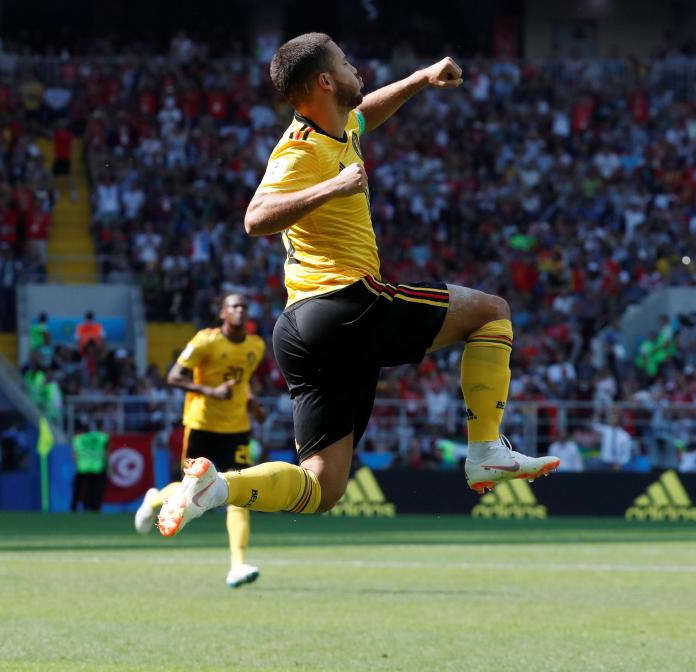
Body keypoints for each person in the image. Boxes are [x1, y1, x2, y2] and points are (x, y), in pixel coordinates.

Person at [156, 33, 559, 538]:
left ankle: (219, 488)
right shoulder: (299, 153)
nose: (356, 69)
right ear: (325, 80)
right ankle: (485, 452)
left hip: (302, 328)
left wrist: (419, 79)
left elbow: (365, 112)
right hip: (346, 304)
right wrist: (334, 186)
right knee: (492, 312)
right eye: (345, 62)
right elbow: (255, 218)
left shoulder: (336, 127)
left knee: (323, 489)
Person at [134, 293, 266, 589]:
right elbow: (174, 376)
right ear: (222, 313)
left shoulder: (256, 346)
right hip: (202, 426)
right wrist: (211, 391)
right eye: (235, 306)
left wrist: (253, 405)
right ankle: (154, 499)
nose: (241, 311)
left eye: (245, 306)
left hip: (237, 430)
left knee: (240, 497)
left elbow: (243, 382)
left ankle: (237, 566)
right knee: (187, 491)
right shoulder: (206, 341)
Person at [71, 422, 109, 512]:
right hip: (97, 467)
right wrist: (107, 465)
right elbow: (105, 453)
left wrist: (77, 463)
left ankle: (74, 507)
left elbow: (74, 455)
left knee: (78, 489)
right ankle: (93, 507)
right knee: (95, 490)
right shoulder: (101, 437)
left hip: (82, 467)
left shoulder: (78, 439)